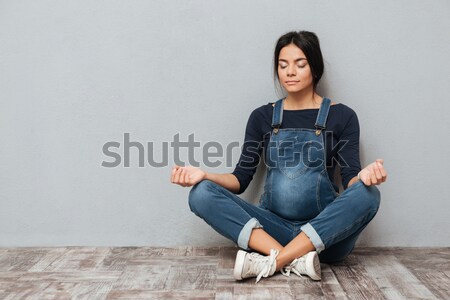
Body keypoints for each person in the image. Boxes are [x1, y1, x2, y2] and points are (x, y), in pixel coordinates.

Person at [170, 30, 387, 283]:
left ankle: (274, 262)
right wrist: (204, 175)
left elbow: (350, 178)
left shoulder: (343, 116)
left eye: (300, 64)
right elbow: (240, 180)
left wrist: (363, 177)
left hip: (326, 235)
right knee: (201, 193)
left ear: (314, 68)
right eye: (283, 65)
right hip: (271, 230)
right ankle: (295, 260)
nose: (290, 72)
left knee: (368, 193)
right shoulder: (262, 117)